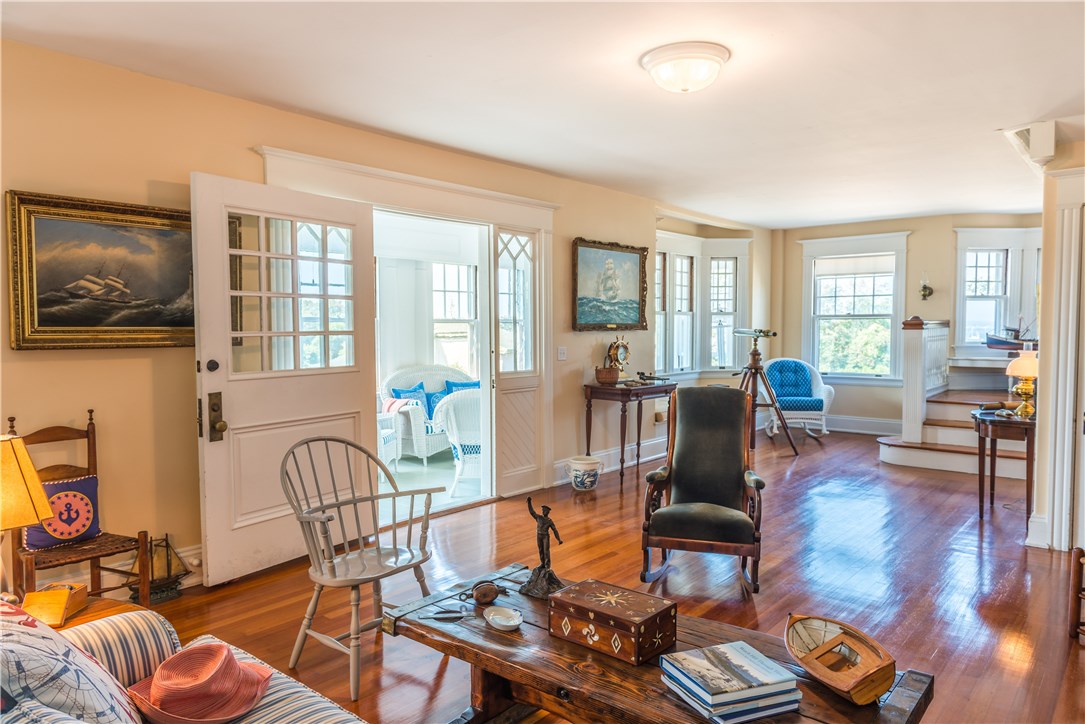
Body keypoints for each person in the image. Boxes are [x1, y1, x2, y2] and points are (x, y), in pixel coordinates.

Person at [527, 497, 562, 569]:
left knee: (546, 551)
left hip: (545, 536)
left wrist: (558, 539)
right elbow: (531, 512)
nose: (543, 511)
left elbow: (554, 530)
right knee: (540, 550)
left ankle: (547, 566)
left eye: (544, 510)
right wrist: (529, 502)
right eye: (542, 510)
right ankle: (542, 563)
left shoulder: (549, 521)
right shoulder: (539, 517)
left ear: (547, 512)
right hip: (539, 535)